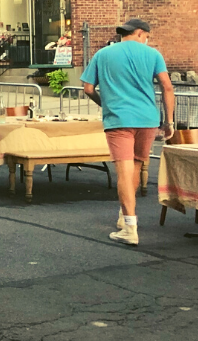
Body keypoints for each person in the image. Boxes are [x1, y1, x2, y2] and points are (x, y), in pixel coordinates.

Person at [80, 18, 174, 246]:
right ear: (141, 33)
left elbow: (88, 88)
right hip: (148, 119)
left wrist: (104, 103)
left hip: (119, 119)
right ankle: (125, 215)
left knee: (123, 170)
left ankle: (130, 226)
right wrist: (169, 121)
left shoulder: (102, 55)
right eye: (147, 36)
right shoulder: (153, 55)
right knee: (136, 165)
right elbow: (167, 86)